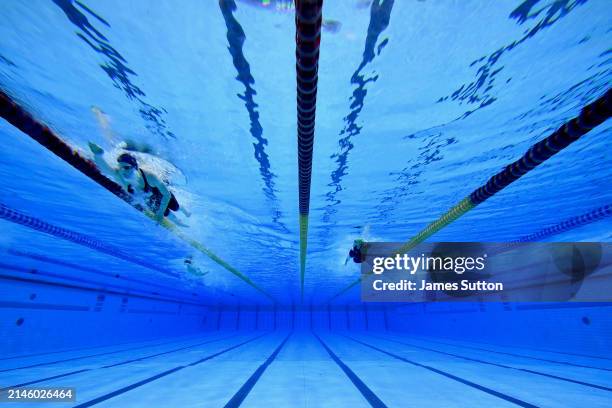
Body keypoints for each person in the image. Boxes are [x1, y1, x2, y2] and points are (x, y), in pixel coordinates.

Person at [88, 142, 189, 224]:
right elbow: (107, 170)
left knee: (176, 207)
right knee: (167, 214)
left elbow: (166, 194)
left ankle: (185, 211)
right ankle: (179, 223)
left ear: (135, 167)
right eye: (120, 168)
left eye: (127, 168)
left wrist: (159, 213)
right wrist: (98, 155)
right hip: (149, 197)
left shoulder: (150, 177)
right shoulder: (121, 175)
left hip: (162, 194)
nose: (123, 171)